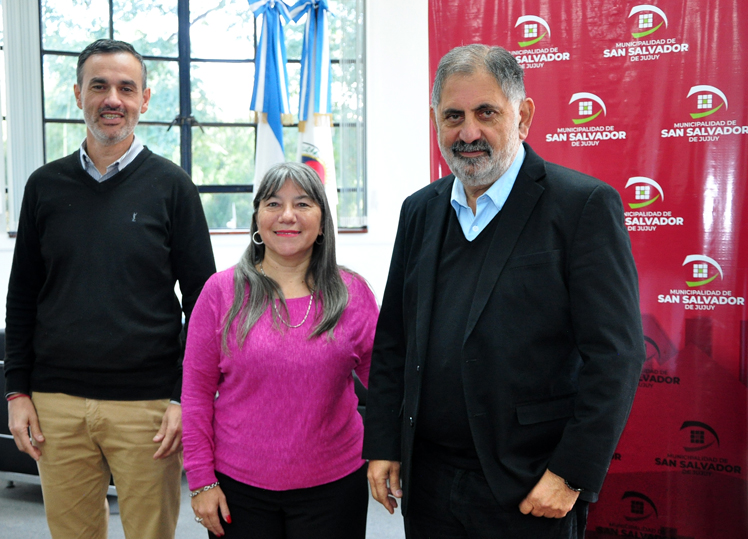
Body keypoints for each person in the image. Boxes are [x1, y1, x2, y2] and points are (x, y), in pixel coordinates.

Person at [363, 44, 646, 539]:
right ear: (435, 121)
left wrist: (571, 473)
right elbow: (394, 341)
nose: (468, 132)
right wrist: (384, 442)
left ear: (523, 117)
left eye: (486, 112)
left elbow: (616, 355)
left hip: (531, 486)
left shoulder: (582, 207)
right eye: (453, 116)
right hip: (428, 483)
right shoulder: (420, 211)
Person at [4, 39, 216, 539]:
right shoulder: (43, 187)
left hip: (148, 408)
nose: (112, 99)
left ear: (145, 99)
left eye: (126, 87)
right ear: (78, 94)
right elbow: (22, 296)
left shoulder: (173, 187)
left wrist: (184, 398)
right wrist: (16, 391)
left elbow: (205, 306)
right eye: (98, 86)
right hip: (56, 403)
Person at [182, 162, 378, 539]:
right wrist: (202, 481)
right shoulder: (220, 293)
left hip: (335, 489)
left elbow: (387, 387)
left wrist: (389, 453)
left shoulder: (352, 294)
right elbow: (195, 396)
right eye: (273, 203)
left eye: (302, 204)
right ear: (257, 219)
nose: (287, 215)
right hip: (238, 490)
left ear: (323, 222)